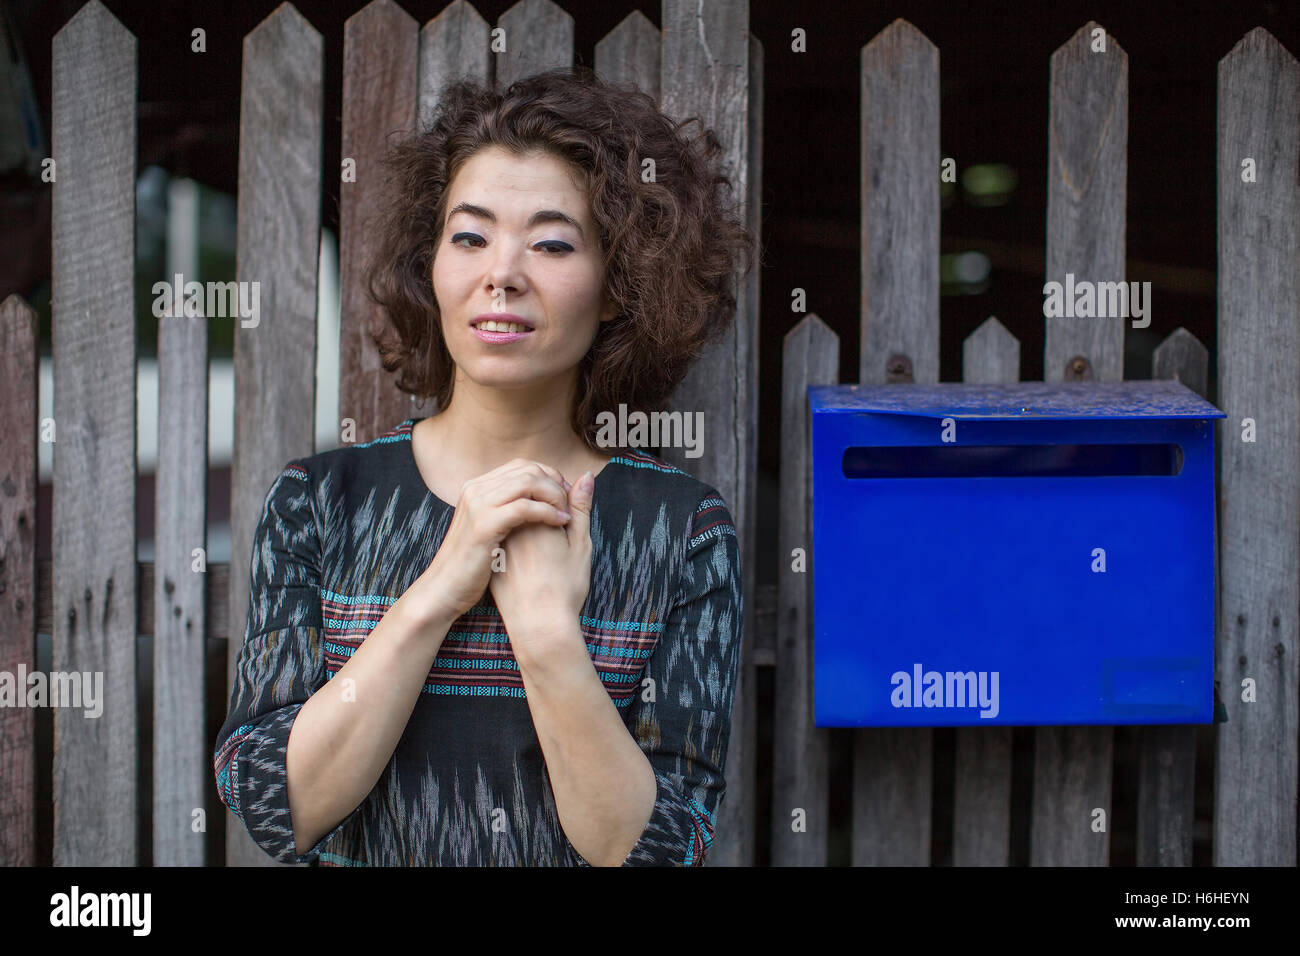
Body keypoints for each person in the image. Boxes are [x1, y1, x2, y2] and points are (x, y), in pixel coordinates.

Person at [213, 66, 756, 866]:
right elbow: (276, 805)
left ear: (616, 285)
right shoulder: (319, 504)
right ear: (432, 267)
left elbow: (657, 850)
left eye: (551, 242)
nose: (502, 272)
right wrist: (439, 590)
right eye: (469, 236)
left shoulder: (680, 531)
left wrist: (546, 636)